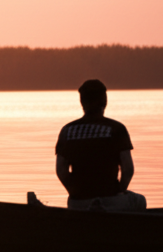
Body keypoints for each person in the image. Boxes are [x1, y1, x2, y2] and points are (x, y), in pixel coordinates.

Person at [55, 79, 147, 211]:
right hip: (111, 201)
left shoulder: (67, 131)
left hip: (79, 204)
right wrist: (119, 191)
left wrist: (75, 193)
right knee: (139, 201)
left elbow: (61, 171)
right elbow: (128, 170)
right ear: (105, 102)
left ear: (82, 102)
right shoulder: (116, 129)